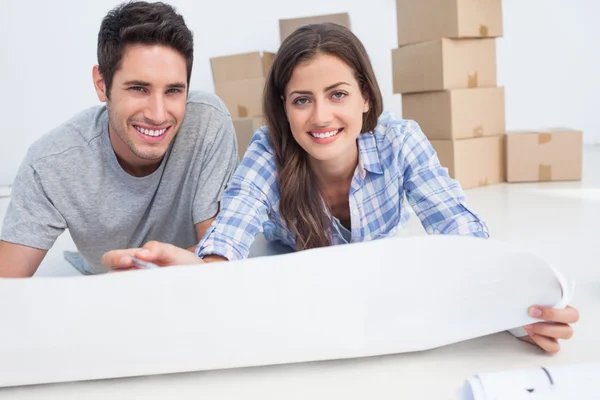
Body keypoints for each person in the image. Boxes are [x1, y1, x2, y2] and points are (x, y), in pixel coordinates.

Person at [104, 23, 579, 353]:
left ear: (366, 96)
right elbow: (233, 228)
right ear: (284, 109)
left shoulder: (399, 139)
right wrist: (197, 270)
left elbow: (459, 228)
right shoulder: (270, 148)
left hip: (372, 285)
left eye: (338, 95)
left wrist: (515, 305)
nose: (321, 117)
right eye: (301, 100)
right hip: (300, 279)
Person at [0, 2, 238, 277]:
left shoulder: (207, 122)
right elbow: (7, 287)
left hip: (188, 287)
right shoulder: (50, 163)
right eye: (138, 88)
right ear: (102, 85)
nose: (158, 115)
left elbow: (219, 258)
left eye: (173, 90)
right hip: (105, 290)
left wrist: (142, 275)